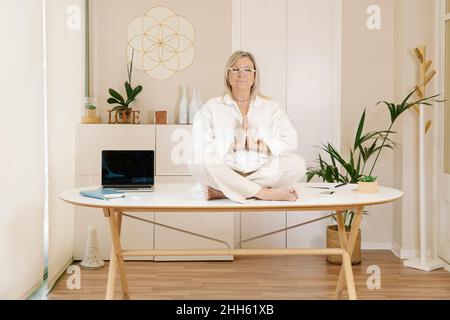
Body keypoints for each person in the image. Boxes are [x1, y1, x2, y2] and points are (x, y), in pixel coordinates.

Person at [188, 51, 306, 204]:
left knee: (298, 164)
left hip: (261, 170)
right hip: (226, 169)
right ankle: (264, 193)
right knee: (197, 161)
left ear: (254, 76)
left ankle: (225, 191)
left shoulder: (271, 107)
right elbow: (200, 146)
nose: (241, 74)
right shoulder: (210, 108)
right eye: (235, 69)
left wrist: (260, 146)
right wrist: (233, 145)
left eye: (247, 69)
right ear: (228, 75)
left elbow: (290, 140)